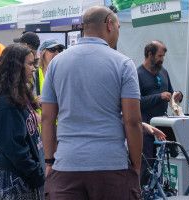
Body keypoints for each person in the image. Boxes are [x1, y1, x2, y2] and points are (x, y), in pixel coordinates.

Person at [40, 7, 144, 199]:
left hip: (66, 164)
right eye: (119, 27)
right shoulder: (123, 64)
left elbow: (46, 118)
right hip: (111, 164)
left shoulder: (56, 63)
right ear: (110, 25)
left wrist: (49, 161)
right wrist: (136, 167)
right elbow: (132, 121)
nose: (118, 33)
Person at [0, 44, 45, 199]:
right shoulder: (6, 102)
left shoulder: (17, 96)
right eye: (30, 64)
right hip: (12, 179)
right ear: (16, 67)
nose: (33, 69)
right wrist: (35, 173)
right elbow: (13, 147)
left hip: (19, 174)